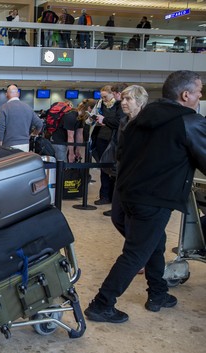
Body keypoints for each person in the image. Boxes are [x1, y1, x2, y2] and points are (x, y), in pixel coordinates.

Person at [85, 70, 206, 324]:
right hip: (154, 198)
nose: (200, 95)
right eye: (198, 91)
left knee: (154, 243)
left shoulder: (141, 119)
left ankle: (158, 293)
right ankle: (101, 304)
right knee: (135, 253)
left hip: (129, 193)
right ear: (186, 95)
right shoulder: (189, 122)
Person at [106, 85, 149, 276]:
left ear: (140, 102)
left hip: (139, 181)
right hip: (122, 177)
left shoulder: (147, 124)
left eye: (128, 99)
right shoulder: (123, 122)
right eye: (122, 99)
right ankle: (141, 252)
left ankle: (139, 257)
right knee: (117, 217)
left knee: (134, 223)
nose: (123, 102)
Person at [91, 85, 124, 206]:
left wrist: (105, 120)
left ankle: (112, 196)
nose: (103, 99)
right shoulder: (100, 105)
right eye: (102, 97)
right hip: (101, 138)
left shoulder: (119, 106)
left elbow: (118, 122)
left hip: (114, 140)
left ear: (113, 94)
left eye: (105, 96)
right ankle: (104, 196)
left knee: (114, 169)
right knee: (104, 169)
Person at [0, 84, 43, 151]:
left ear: (6, 95)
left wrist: (0, 145)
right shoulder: (28, 107)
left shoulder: (3, 108)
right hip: (25, 144)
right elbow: (39, 124)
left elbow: (0, 128)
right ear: (18, 94)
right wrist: (34, 133)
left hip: (9, 145)